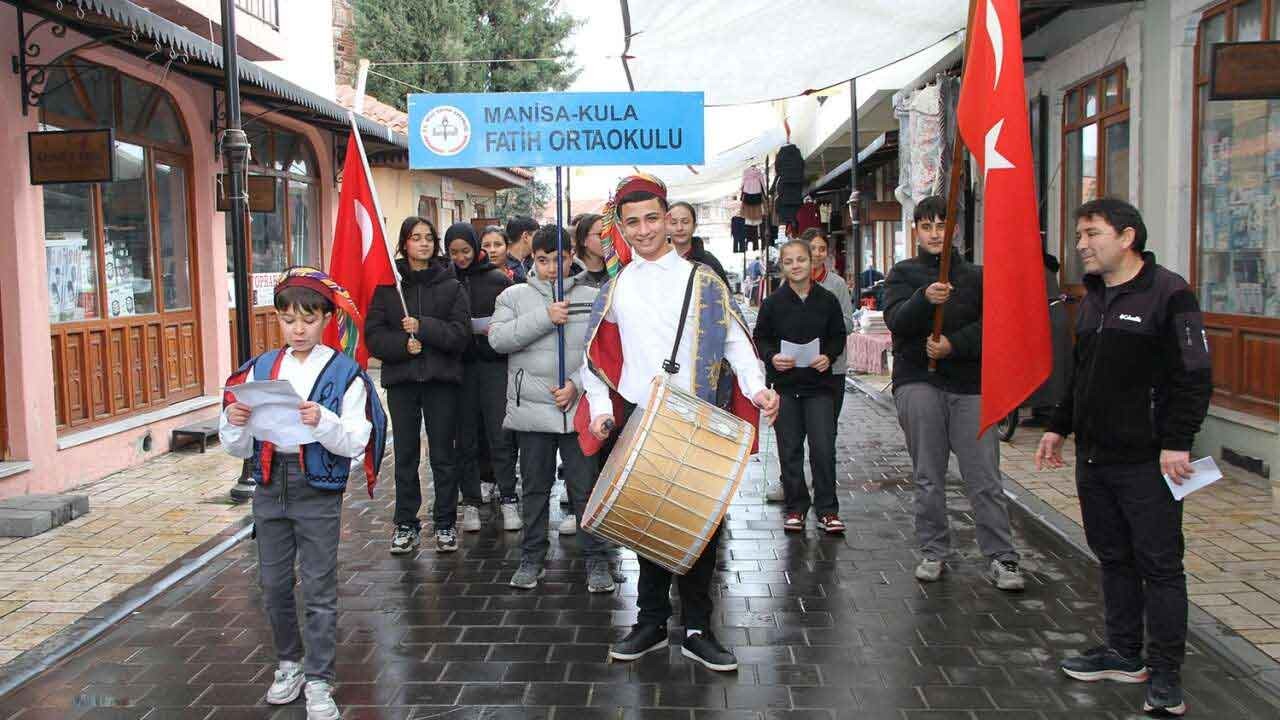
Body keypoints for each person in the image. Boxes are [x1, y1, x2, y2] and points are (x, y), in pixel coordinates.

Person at [579, 173, 780, 672]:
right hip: (639, 421)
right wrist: (601, 412)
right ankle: (650, 622)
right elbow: (593, 359)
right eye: (633, 223)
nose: (644, 230)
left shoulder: (703, 279)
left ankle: (696, 629)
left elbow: (737, 342)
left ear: (668, 219)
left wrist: (758, 388)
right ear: (621, 227)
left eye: (652, 218)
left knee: (700, 529)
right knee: (646, 524)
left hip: (696, 417)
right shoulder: (617, 286)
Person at [1037, 199, 1211, 717]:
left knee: (1160, 566)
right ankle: (1124, 652)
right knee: (1113, 558)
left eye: (1092, 233)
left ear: (1127, 236)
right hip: (1095, 459)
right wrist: (1059, 426)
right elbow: (1082, 372)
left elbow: (1194, 375)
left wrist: (1177, 440)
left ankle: (1166, 674)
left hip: (1149, 462)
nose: (1081, 245)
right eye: (1079, 235)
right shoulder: (1092, 298)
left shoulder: (1169, 293)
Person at [221, 267, 387, 720]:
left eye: (309, 320)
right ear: (277, 318)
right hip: (269, 482)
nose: (298, 329)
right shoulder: (259, 369)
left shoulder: (344, 372)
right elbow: (237, 445)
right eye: (289, 319)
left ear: (326, 319)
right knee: (273, 583)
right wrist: (234, 423)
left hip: (317, 486)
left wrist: (323, 422)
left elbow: (355, 441)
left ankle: (319, 678)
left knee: (318, 584)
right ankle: (288, 663)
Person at [881, 195, 1025, 592]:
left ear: (954, 230)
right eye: (926, 226)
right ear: (915, 231)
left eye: (941, 226)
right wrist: (923, 300)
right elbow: (896, 322)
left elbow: (995, 327)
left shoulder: (978, 276)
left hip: (970, 385)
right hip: (918, 381)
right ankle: (933, 550)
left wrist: (954, 345)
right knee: (929, 474)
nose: (934, 234)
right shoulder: (902, 274)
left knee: (983, 474)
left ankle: (1001, 555)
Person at [489, 224, 616, 591]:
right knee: (534, 488)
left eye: (559, 259)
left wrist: (576, 385)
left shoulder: (593, 296)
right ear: (532, 258)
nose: (551, 268)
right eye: (543, 260)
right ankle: (532, 557)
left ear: (571, 255)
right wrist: (546, 317)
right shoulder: (513, 296)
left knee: (585, 487)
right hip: (531, 409)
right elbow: (498, 339)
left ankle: (597, 559)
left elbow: (602, 352)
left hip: (577, 409)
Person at [366, 216, 470, 554]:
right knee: (406, 455)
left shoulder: (451, 285)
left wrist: (423, 327)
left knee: (443, 454)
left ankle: (445, 523)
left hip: (441, 381)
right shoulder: (388, 287)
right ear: (404, 243)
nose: (423, 243)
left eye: (428, 237)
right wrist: (402, 345)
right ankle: (405, 523)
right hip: (403, 382)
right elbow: (373, 337)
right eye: (415, 237)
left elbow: (460, 335)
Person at [752, 238, 848, 533]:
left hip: (820, 386)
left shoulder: (827, 299)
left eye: (801, 259)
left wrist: (828, 356)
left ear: (812, 261)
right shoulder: (772, 303)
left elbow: (838, 335)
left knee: (822, 448)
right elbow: (761, 337)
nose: (796, 266)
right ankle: (795, 507)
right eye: (789, 261)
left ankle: (828, 510)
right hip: (785, 386)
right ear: (782, 266)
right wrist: (772, 357)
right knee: (789, 449)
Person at [446, 222, 520, 533]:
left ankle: (508, 496)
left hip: (494, 366)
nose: (461, 258)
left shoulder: (498, 280)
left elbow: (514, 322)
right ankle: (471, 501)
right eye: (454, 252)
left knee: (500, 434)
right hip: (460, 368)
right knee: (466, 438)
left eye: (466, 251)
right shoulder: (447, 279)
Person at [803, 228, 855, 424]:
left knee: (828, 427)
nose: (817, 253)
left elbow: (848, 324)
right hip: (800, 365)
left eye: (822, 249)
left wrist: (822, 321)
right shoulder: (792, 282)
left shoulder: (837, 284)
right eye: (813, 248)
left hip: (833, 367)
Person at [667, 201, 729, 286]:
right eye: (673, 223)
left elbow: (724, 292)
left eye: (685, 222)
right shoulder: (657, 260)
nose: (679, 228)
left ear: (694, 226)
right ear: (666, 227)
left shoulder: (710, 263)